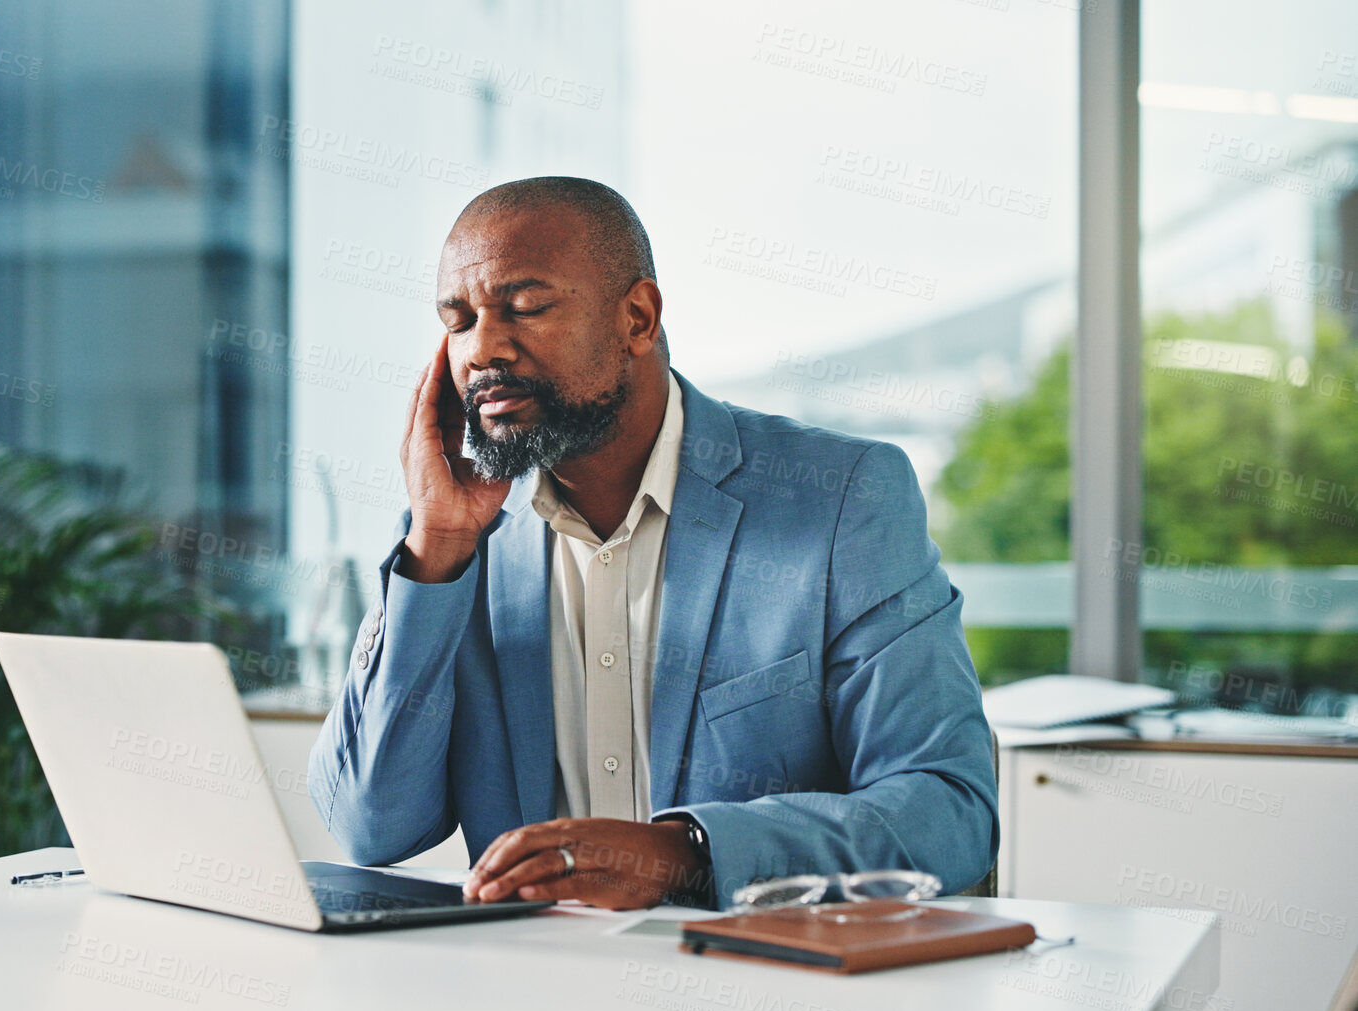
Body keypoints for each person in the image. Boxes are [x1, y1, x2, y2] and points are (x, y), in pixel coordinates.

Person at [307, 176, 997, 910]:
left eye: (525, 307)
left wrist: (688, 853)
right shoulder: (452, 538)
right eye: (458, 319)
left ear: (636, 317)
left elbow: (947, 809)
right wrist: (437, 546)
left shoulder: (841, 499)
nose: (482, 349)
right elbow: (370, 827)